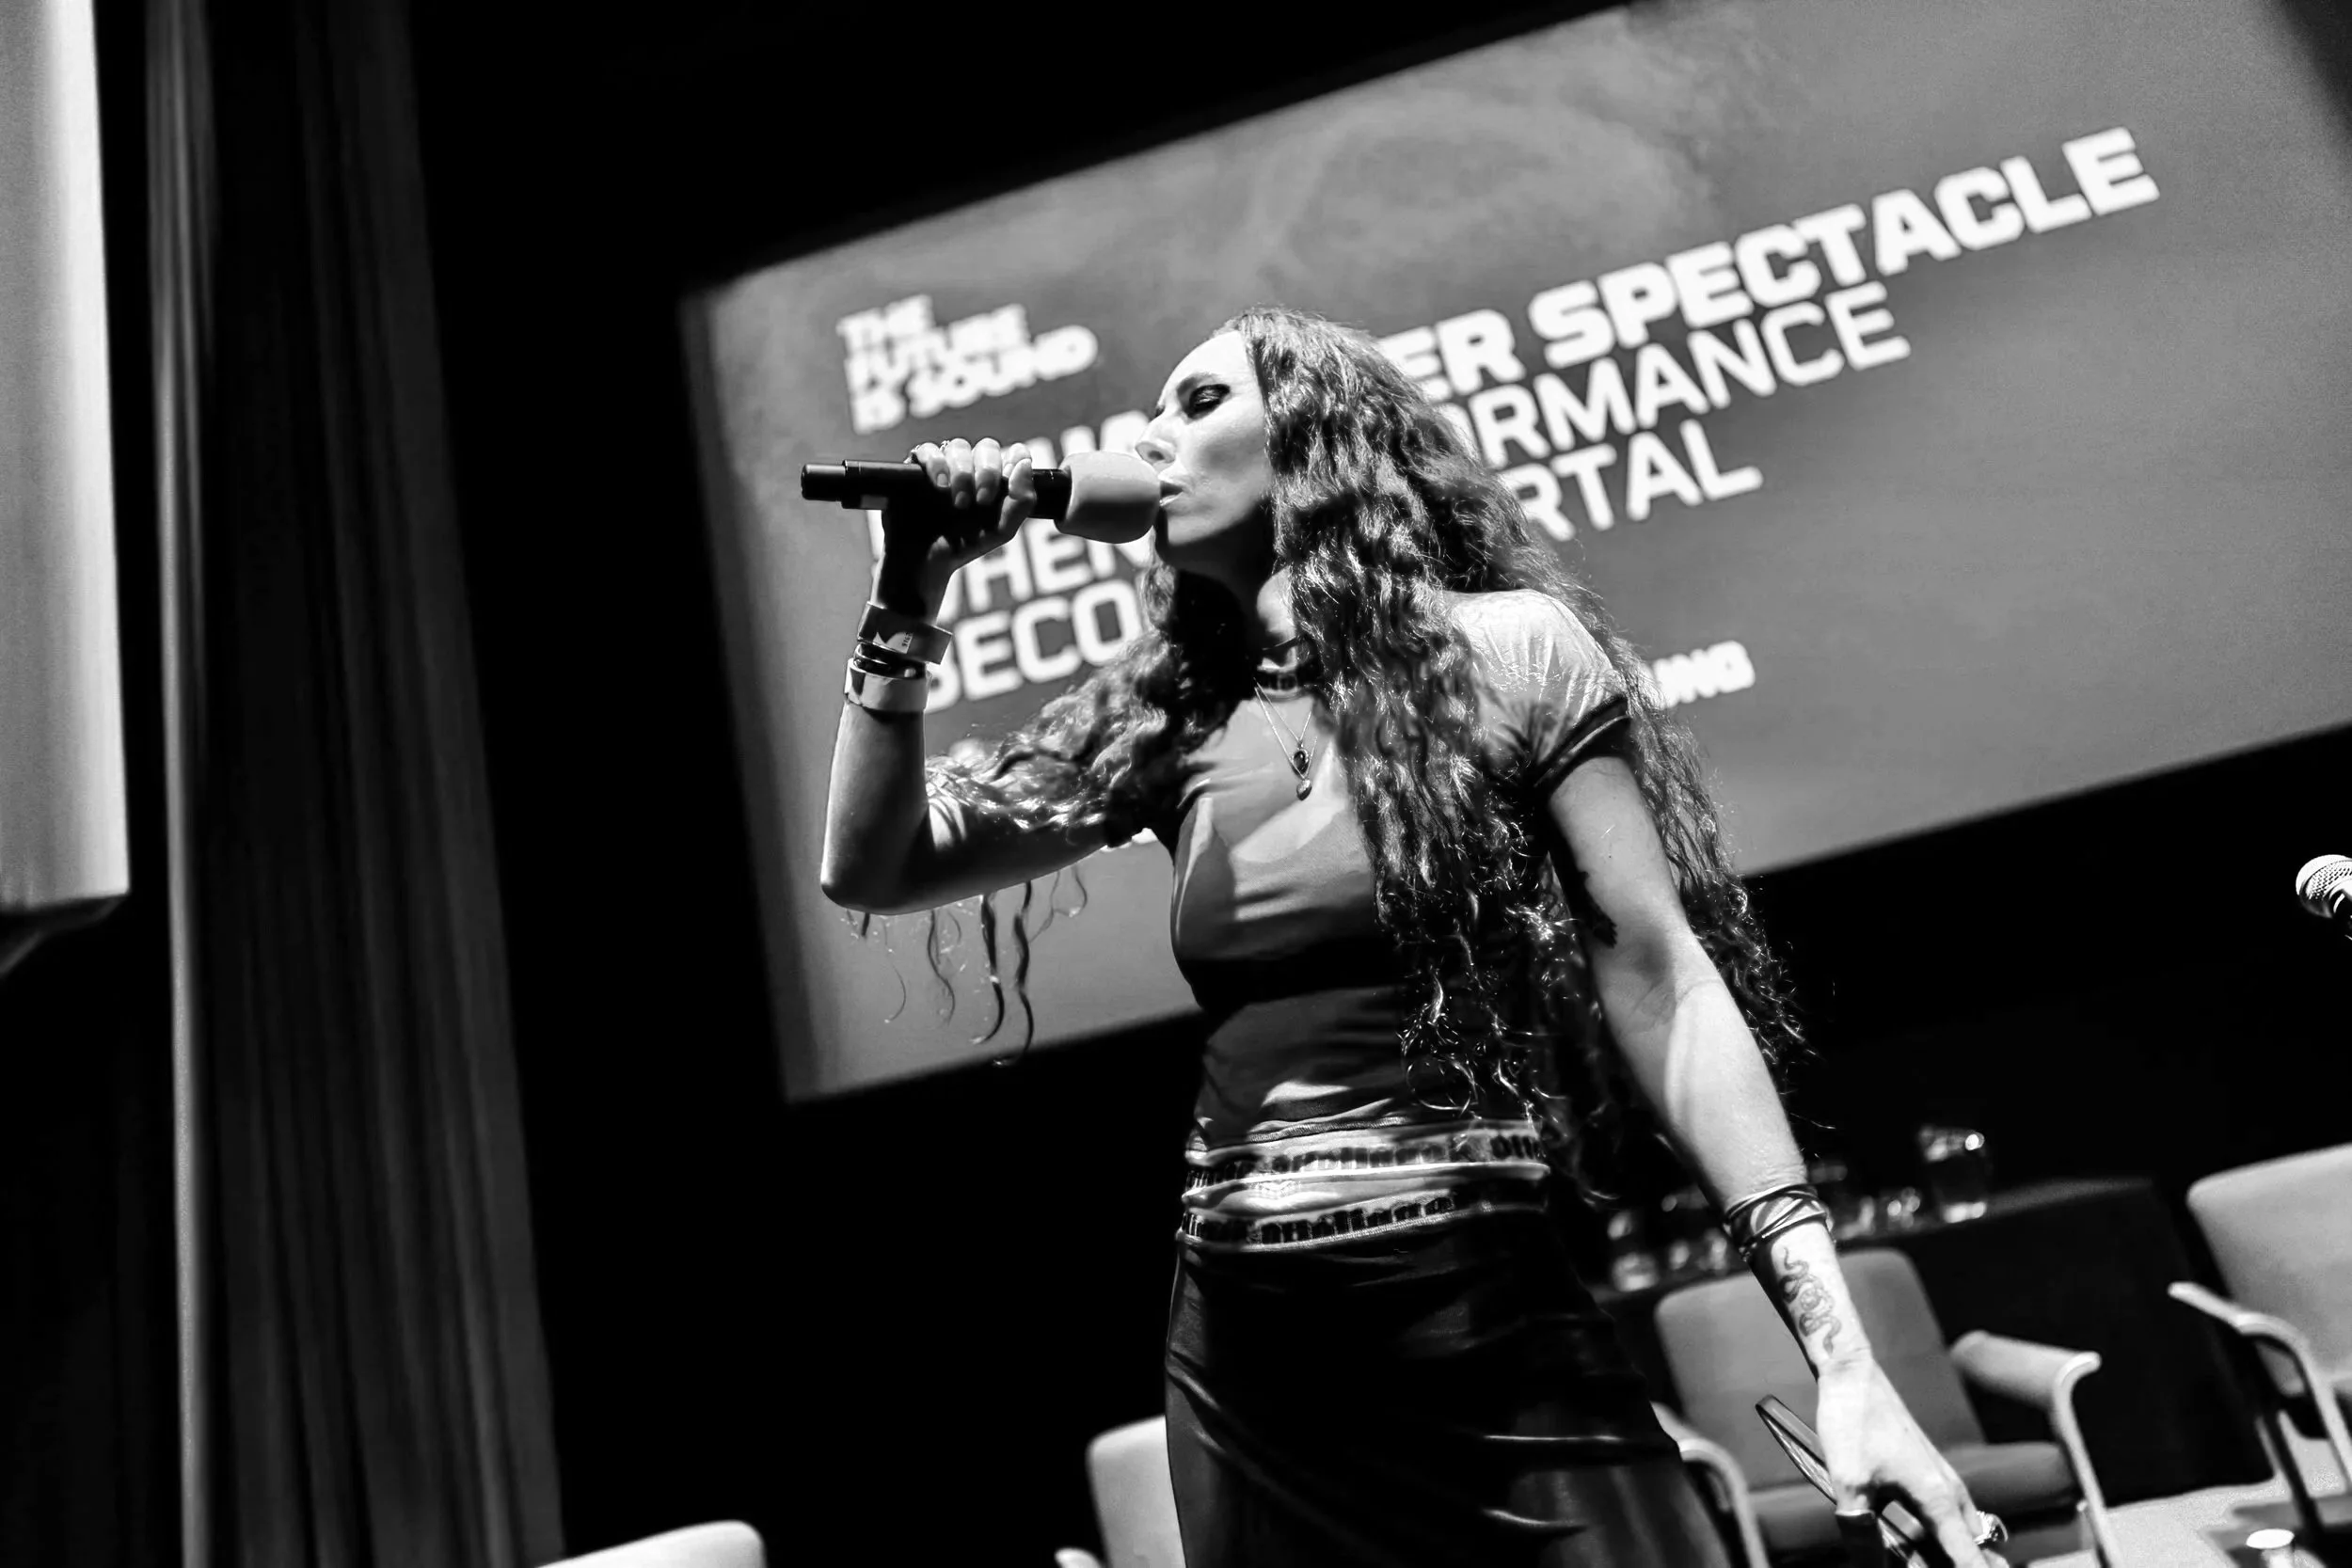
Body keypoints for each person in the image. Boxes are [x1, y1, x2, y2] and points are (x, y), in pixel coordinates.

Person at [821, 306, 2006, 1568]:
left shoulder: (1512, 659)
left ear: (1318, 441)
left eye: (1198, 401)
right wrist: (910, 592)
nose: (1150, 437)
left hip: (1482, 1312)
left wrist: (1844, 1359)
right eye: (1150, 414)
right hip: (1254, 1360)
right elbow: (874, 861)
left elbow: (1660, 982)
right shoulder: (1167, 716)